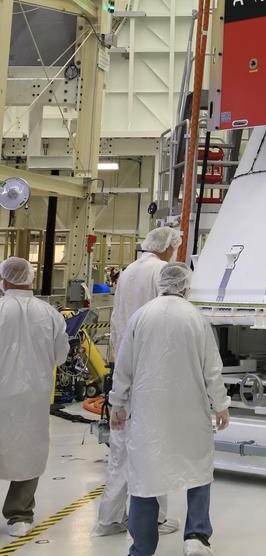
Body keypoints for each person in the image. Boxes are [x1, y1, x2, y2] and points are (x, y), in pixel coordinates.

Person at [110, 261, 230, 556]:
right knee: (198, 469)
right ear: (186, 287)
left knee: (145, 477)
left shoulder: (141, 316)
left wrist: (117, 403)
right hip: (191, 412)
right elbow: (212, 369)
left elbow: (124, 366)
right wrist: (221, 406)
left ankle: (141, 552)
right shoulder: (196, 318)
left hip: (148, 412)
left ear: (160, 284)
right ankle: (197, 537)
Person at [92, 225, 182, 538]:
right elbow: (168, 319)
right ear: (168, 246)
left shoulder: (129, 270)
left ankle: (109, 519)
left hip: (123, 366)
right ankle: (155, 519)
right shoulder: (163, 272)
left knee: (120, 449)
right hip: (152, 370)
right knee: (155, 445)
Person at [0, 257, 70, 537]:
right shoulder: (49, 314)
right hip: (34, 395)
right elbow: (61, 355)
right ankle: (19, 515)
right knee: (28, 449)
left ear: (5, 280)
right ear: (30, 279)